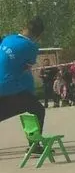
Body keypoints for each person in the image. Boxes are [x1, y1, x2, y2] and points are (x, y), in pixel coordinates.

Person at [0, 18, 46, 152]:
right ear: (38, 35)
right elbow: (25, 69)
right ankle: (34, 145)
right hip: (10, 87)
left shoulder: (8, 39)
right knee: (37, 110)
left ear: (24, 27)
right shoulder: (31, 47)